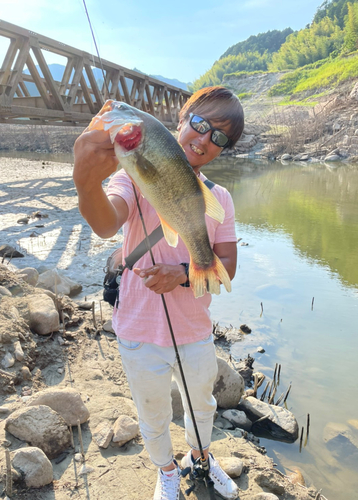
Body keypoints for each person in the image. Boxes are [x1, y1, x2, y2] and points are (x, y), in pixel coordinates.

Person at [73, 86, 244, 500]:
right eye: (200, 125)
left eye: (218, 137)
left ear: (223, 149)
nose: (204, 140)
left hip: (194, 329)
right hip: (138, 327)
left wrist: (184, 273)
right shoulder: (130, 175)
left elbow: (226, 269)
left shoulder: (219, 198)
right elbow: (106, 222)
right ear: (181, 120)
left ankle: (201, 457)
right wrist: (85, 181)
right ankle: (167, 470)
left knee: (202, 406)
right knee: (152, 412)